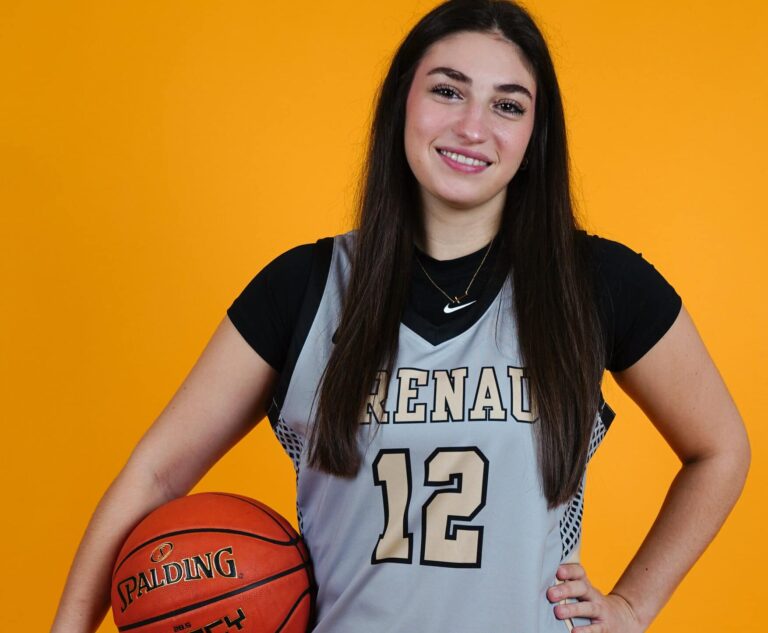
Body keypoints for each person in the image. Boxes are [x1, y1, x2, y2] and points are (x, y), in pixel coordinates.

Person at [51, 1, 750, 632]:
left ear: (535, 133)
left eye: (508, 105)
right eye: (447, 90)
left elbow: (720, 448)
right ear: (402, 105)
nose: (472, 126)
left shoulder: (593, 283)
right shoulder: (305, 287)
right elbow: (155, 478)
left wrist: (633, 605)